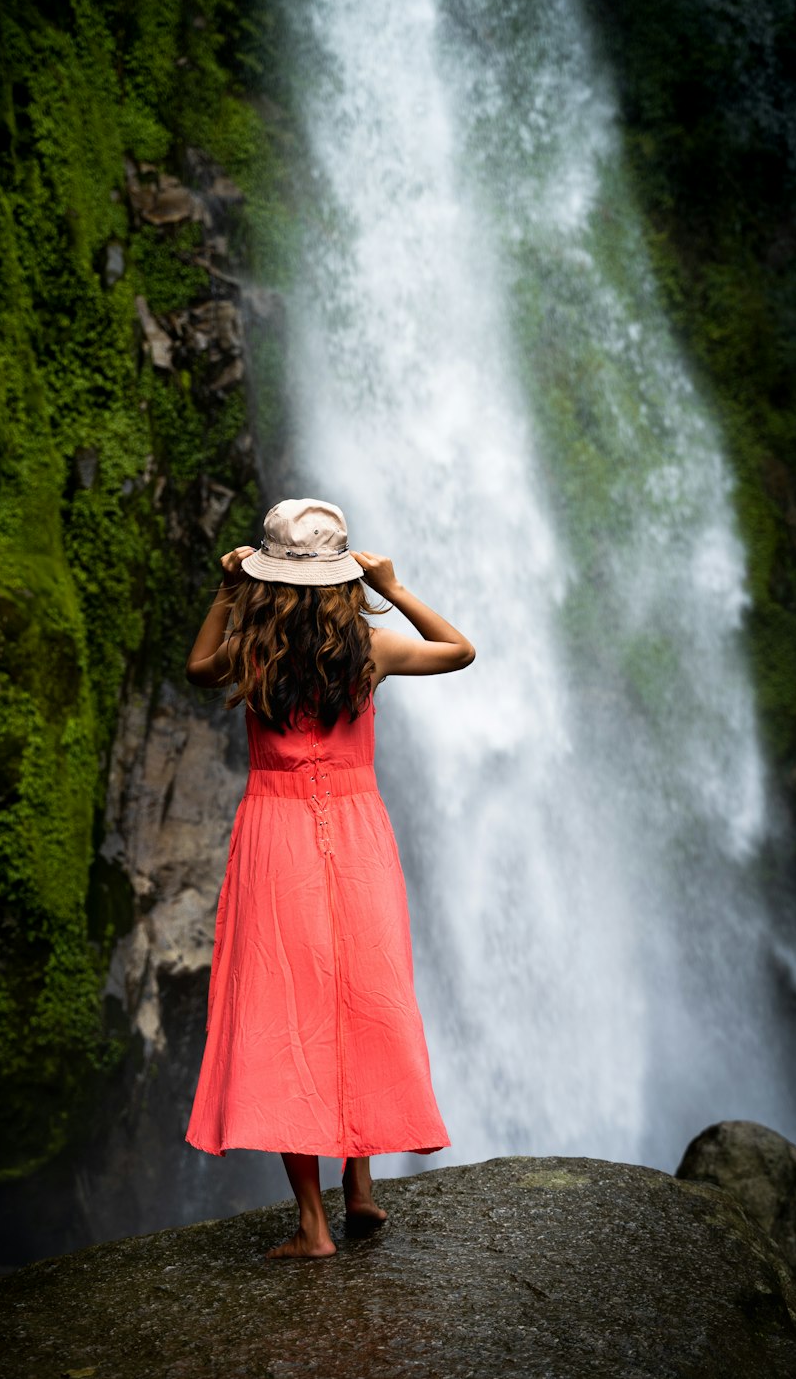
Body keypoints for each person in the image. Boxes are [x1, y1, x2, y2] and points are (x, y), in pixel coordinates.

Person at [184, 498, 475, 1258]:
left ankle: (316, 1224)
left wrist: (225, 590)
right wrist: (397, 583)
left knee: (288, 1013)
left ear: (268, 580)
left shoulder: (253, 653)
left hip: (276, 836)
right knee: (361, 996)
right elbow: (459, 649)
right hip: (358, 834)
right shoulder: (372, 649)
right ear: (346, 579)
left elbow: (194, 667)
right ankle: (362, 1190)